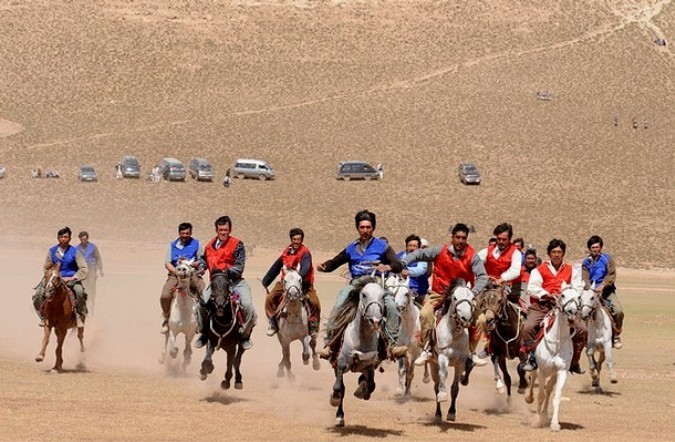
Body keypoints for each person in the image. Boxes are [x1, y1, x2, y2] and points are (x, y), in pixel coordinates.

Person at [316, 210, 407, 360]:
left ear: (373, 228)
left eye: (368, 227)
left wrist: (389, 267)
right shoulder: (351, 247)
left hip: (376, 283)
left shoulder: (382, 246)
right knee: (339, 304)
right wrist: (325, 266)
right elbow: (335, 262)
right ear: (357, 228)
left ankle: (392, 345)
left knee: (391, 306)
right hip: (356, 284)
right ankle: (330, 344)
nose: (365, 230)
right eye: (362, 227)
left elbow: (397, 264)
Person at [397, 223, 488, 366]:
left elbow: (483, 277)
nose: (460, 241)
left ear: (467, 239)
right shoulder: (440, 251)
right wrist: (403, 262)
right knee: (425, 314)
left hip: (463, 296)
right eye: (457, 237)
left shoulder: (472, 256)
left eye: (463, 238)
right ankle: (427, 349)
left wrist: (473, 292)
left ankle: (471, 351)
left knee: (481, 320)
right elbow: (419, 253)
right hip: (439, 293)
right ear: (452, 237)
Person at [518, 239, 588, 374]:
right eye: (554, 252)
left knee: (582, 330)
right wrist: (548, 295)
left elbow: (579, 288)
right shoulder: (539, 270)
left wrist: (566, 295)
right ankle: (532, 357)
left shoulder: (571, 270)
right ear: (549, 254)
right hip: (543, 306)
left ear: (563, 254)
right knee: (528, 327)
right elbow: (532, 288)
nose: (557, 255)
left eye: (559, 252)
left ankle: (574, 361)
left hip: (566, 308)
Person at [195, 216, 257, 350]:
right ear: (216, 230)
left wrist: (225, 272)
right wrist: (200, 268)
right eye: (221, 230)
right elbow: (203, 261)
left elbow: (239, 266)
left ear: (230, 230)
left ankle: (244, 336)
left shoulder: (237, 244)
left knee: (247, 306)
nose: (224, 233)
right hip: (216, 284)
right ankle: (203, 334)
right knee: (201, 304)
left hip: (235, 282)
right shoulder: (209, 246)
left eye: (226, 230)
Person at [261, 228, 321, 338]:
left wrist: (298, 277)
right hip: (286, 283)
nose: (296, 242)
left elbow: (306, 266)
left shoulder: (305, 253)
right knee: (270, 298)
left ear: (302, 240)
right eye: (294, 239)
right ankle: (273, 323)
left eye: (299, 239)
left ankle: (313, 325)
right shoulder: (286, 252)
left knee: (315, 302)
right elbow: (277, 266)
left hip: (303, 283)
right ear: (291, 240)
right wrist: (266, 280)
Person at [476, 223, 523, 361]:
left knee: (524, 310)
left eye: (504, 239)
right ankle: (482, 346)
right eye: (499, 239)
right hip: (487, 287)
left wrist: (502, 279)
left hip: (505, 287)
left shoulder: (515, 253)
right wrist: (483, 275)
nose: (501, 242)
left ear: (509, 239)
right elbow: (475, 262)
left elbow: (515, 270)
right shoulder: (488, 250)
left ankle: (525, 344)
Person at [32, 227, 88, 328]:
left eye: (65, 237)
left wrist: (74, 277)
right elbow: (46, 267)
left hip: (71, 280)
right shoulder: (52, 251)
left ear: (70, 238)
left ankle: (79, 315)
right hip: (54, 279)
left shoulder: (75, 252)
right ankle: (43, 317)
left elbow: (83, 268)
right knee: (37, 295)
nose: (63, 239)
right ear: (58, 238)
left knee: (79, 292)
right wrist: (53, 276)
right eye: (61, 237)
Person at [159, 223, 205, 333]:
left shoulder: (197, 244)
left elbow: (202, 261)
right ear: (179, 233)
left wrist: (192, 264)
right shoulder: (172, 245)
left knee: (203, 291)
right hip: (175, 274)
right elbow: (167, 263)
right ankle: (166, 317)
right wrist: (176, 272)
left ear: (191, 233)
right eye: (183, 233)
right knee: (164, 296)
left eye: (187, 233)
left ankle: (202, 320)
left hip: (191, 273)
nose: (185, 235)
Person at [582, 235, 624, 349]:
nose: (595, 249)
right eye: (593, 247)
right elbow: (585, 277)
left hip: (607, 291)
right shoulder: (586, 262)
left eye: (597, 247)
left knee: (618, 311)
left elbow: (611, 275)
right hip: (591, 292)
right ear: (589, 249)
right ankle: (583, 337)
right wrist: (590, 289)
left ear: (601, 248)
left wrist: (603, 285)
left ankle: (616, 335)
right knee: (581, 311)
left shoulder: (607, 259)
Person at [76, 231, 104, 316]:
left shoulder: (93, 247)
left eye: (84, 239)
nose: (83, 240)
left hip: (91, 269)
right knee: (83, 288)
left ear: (87, 238)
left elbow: (98, 258)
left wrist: (100, 269)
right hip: (82, 270)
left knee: (91, 288)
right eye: (81, 239)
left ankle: (92, 305)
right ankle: (83, 305)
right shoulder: (77, 248)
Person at [396, 234, 429, 304]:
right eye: (410, 245)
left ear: (419, 248)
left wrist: (406, 271)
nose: (412, 248)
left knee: (427, 313)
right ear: (406, 247)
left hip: (420, 293)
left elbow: (420, 270)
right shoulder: (399, 256)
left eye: (414, 246)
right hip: (402, 290)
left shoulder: (423, 257)